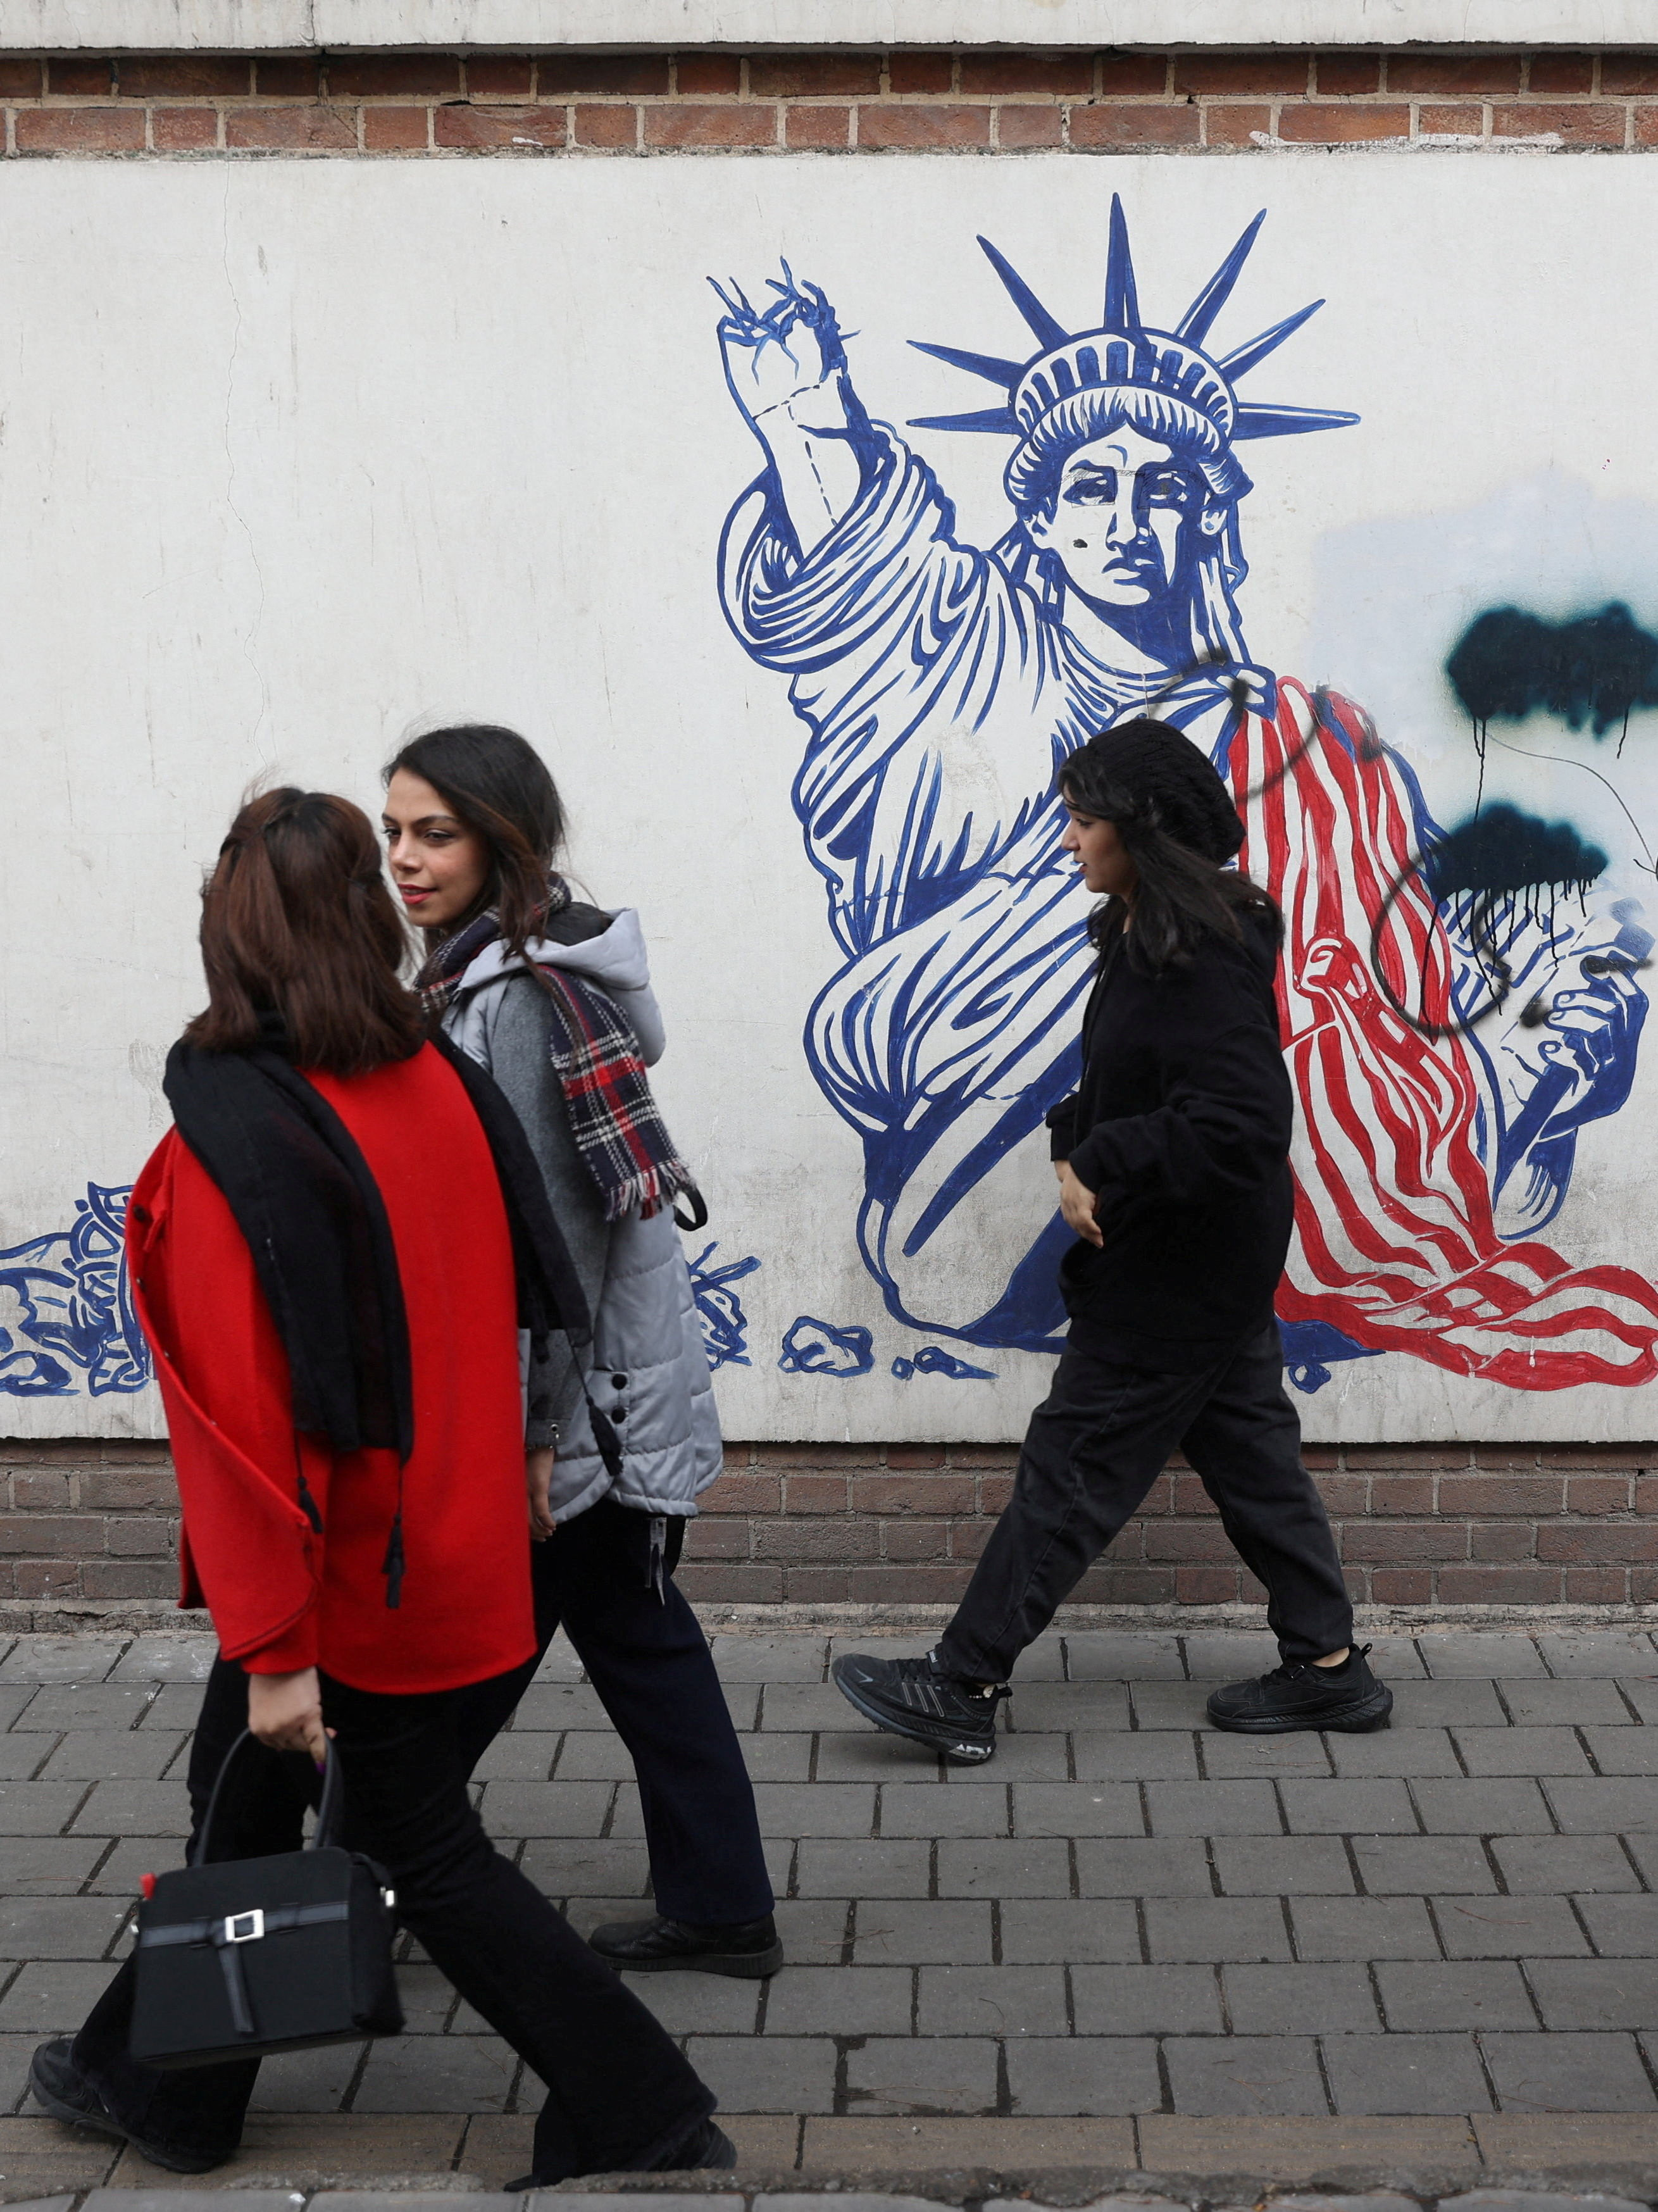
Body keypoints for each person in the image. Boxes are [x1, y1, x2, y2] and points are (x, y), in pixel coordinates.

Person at [30, 789, 732, 2182]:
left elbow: (241, 1436)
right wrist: (536, 1460)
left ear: (228, 940)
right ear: (364, 912)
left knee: (423, 1846)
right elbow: (535, 1290)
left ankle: (640, 2106)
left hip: (347, 1581)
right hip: (464, 1542)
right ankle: (163, 2088)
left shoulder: (230, 1143)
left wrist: (280, 1648)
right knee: (234, 1806)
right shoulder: (435, 1076)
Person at [831, 720, 1394, 1763]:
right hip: (1206, 1256)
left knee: (1076, 1463)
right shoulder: (1148, 933)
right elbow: (1130, 1079)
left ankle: (962, 1683)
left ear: (1142, 832)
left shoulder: (1202, 956)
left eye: (1084, 822)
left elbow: (1239, 1123)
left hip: (1183, 1265)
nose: (1069, 842)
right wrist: (1070, 1147)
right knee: (1252, 1456)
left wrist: (1111, 1158)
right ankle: (1329, 1669)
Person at [380, 725, 780, 1979]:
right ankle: (720, 1906)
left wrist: (533, 1438)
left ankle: (363, 1880)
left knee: (467, 1665)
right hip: (600, 1399)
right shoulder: (511, 977)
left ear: (504, 843)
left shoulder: (514, 1006)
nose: (402, 857)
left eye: (433, 832)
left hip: (574, 1417)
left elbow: (549, 1248)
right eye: (392, 829)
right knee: (637, 1643)